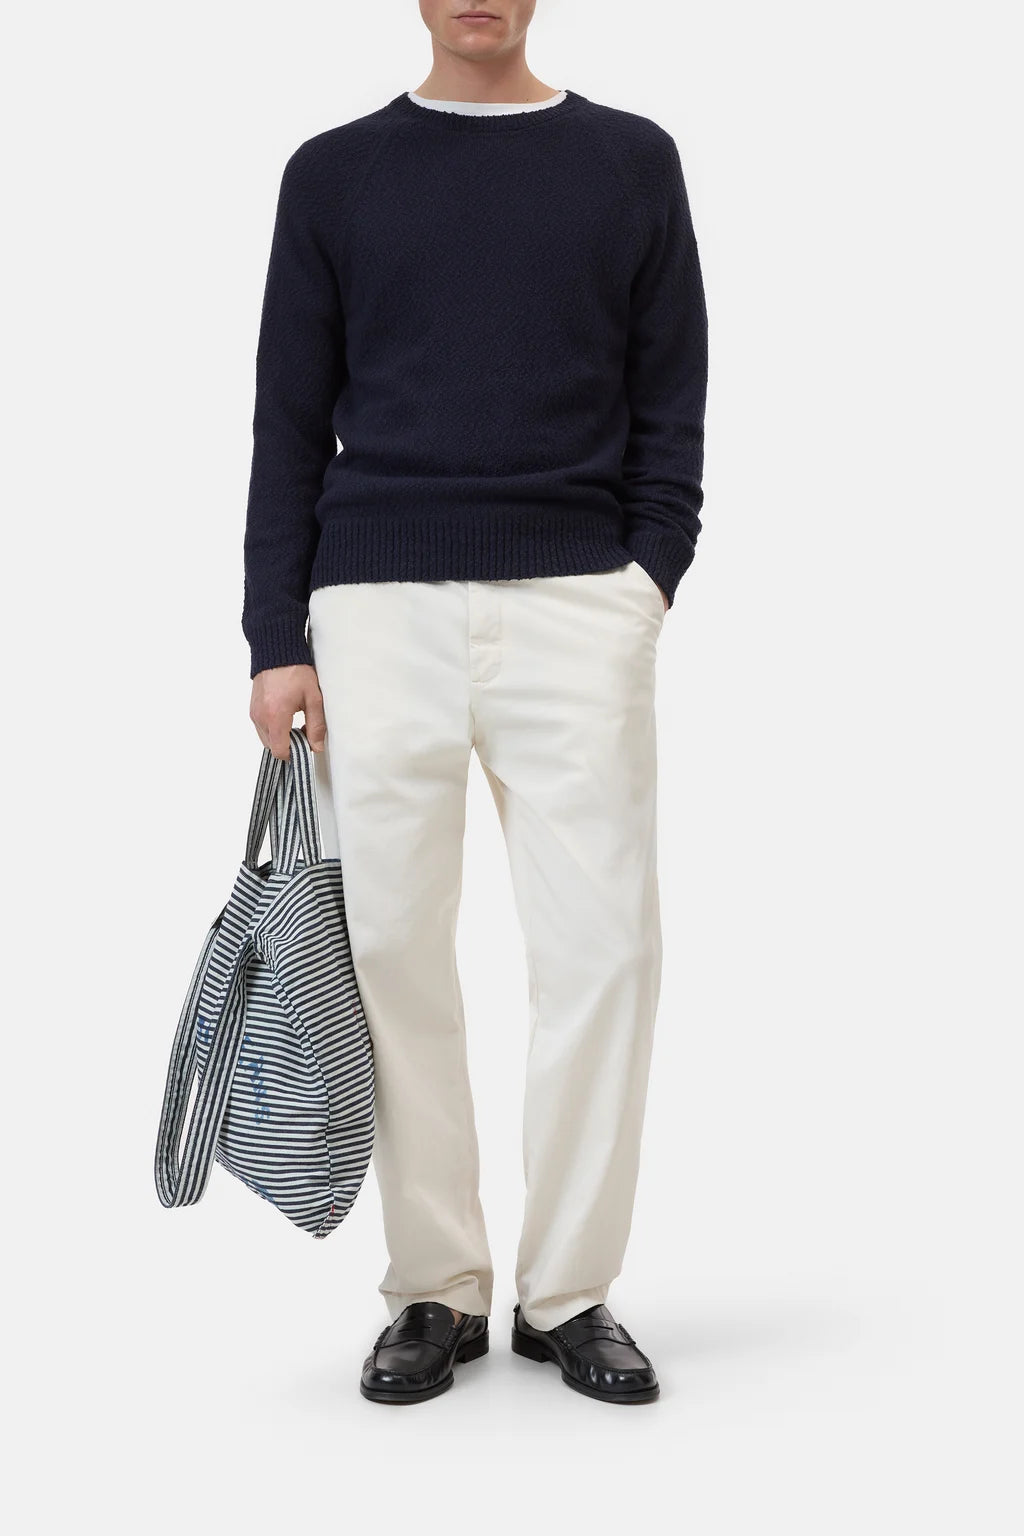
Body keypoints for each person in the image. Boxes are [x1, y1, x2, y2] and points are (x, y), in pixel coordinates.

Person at [242, 1, 708, 1406]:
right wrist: (274, 637)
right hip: (376, 610)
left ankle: (569, 1291)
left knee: (604, 951)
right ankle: (435, 1288)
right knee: (388, 951)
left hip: (578, 602)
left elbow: (672, 394)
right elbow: (286, 416)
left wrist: (646, 577)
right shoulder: (334, 172)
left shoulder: (630, 160)